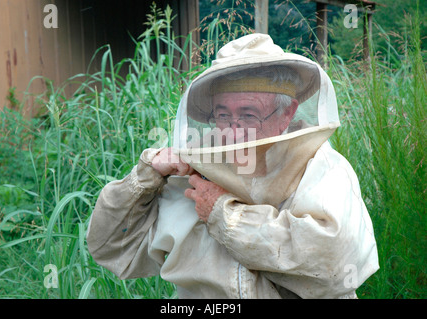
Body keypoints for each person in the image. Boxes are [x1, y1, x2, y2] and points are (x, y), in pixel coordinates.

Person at [87, 33, 379, 299]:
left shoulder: (324, 169)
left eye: (249, 115)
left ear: (286, 113)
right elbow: (109, 245)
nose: (234, 132)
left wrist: (223, 214)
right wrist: (146, 177)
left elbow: (333, 261)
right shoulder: (193, 170)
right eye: (223, 115)